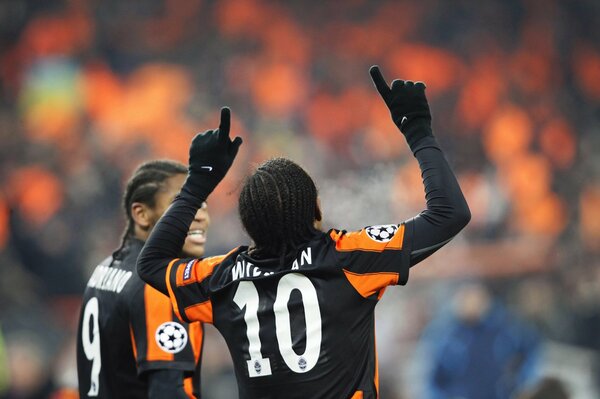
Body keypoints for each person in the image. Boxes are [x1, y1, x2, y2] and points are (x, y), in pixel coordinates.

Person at [137, 66, 471, 398]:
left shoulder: (221, 278)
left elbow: (151, 264)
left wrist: (197, 183)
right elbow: (449, 213)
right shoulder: (347, 258)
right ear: (316, 210)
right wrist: (418, 131)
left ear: (248, 225)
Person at [76, 160, 210, 398]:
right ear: (142, 214)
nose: (199, 216)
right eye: (182, 204)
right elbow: (166, 390)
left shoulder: (105, 269)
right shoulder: (158, 284)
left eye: (202, 204)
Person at [420, 281, 541, 399]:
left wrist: (523, 384)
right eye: (467, 298)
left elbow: (532, 352)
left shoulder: (504, 328)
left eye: (477, 298)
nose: (472, 303)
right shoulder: (446, 334)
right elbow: (432, 378)